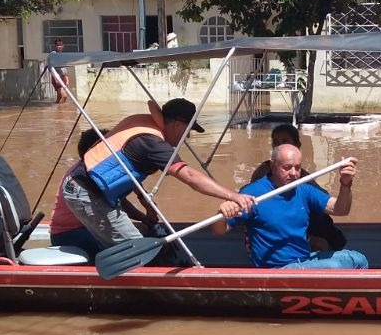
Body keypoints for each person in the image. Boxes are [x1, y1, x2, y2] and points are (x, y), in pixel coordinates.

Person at [63, 98, 253, 253]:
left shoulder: (142, 122)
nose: (186, 137)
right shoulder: (153, 142)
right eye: (188, 131)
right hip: (85, 191)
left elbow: (125, 170)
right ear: (178, 125)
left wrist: (146, 206)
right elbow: (190, 176)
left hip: (86, 185)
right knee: (138, 251)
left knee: (123, 244)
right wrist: (233, 196)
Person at [214, 144, 368, 270]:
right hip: (277, 269)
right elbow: (219, 229)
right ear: (273, 167)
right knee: (337, 265)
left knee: (359, 259)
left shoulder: (303, 188)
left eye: (297, 167)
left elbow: (340, 209)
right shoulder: (253, 193)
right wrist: (223, 212)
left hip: (304, 260)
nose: (294, 173)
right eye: (287, 168)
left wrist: (345, 184)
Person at [49, 129, 155, 258]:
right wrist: (143, 218)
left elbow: (129, 183)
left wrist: (145, 213)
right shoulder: (89, 176)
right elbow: (120, 204)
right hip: (70, 234)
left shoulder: (92, 169)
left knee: (144, 234)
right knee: (139, 248)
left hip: (83, 227)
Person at [249, 123, 347, 251]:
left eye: (285, 141)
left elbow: (331, 205)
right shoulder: (263, 172)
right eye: (276, 142)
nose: (279, 146)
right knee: (322, 241)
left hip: (300, 223)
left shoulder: (301, 176)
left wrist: (346, 183)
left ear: (297, 146)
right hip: (279, 229)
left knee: (324, 223)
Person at [46, 38, 70, 104]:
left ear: (63, 46)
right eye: (58, 45)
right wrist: (56, 78)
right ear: (55, 46)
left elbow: (64, 69)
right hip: (57, 78)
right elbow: (49, 65)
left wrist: (67, 79)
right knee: (64, 96)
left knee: (59, 97)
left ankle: (58, 110)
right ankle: (62, 112)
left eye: (61, 45)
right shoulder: (53, 54)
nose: (59, 47)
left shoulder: (63, 55)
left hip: (63, 77)